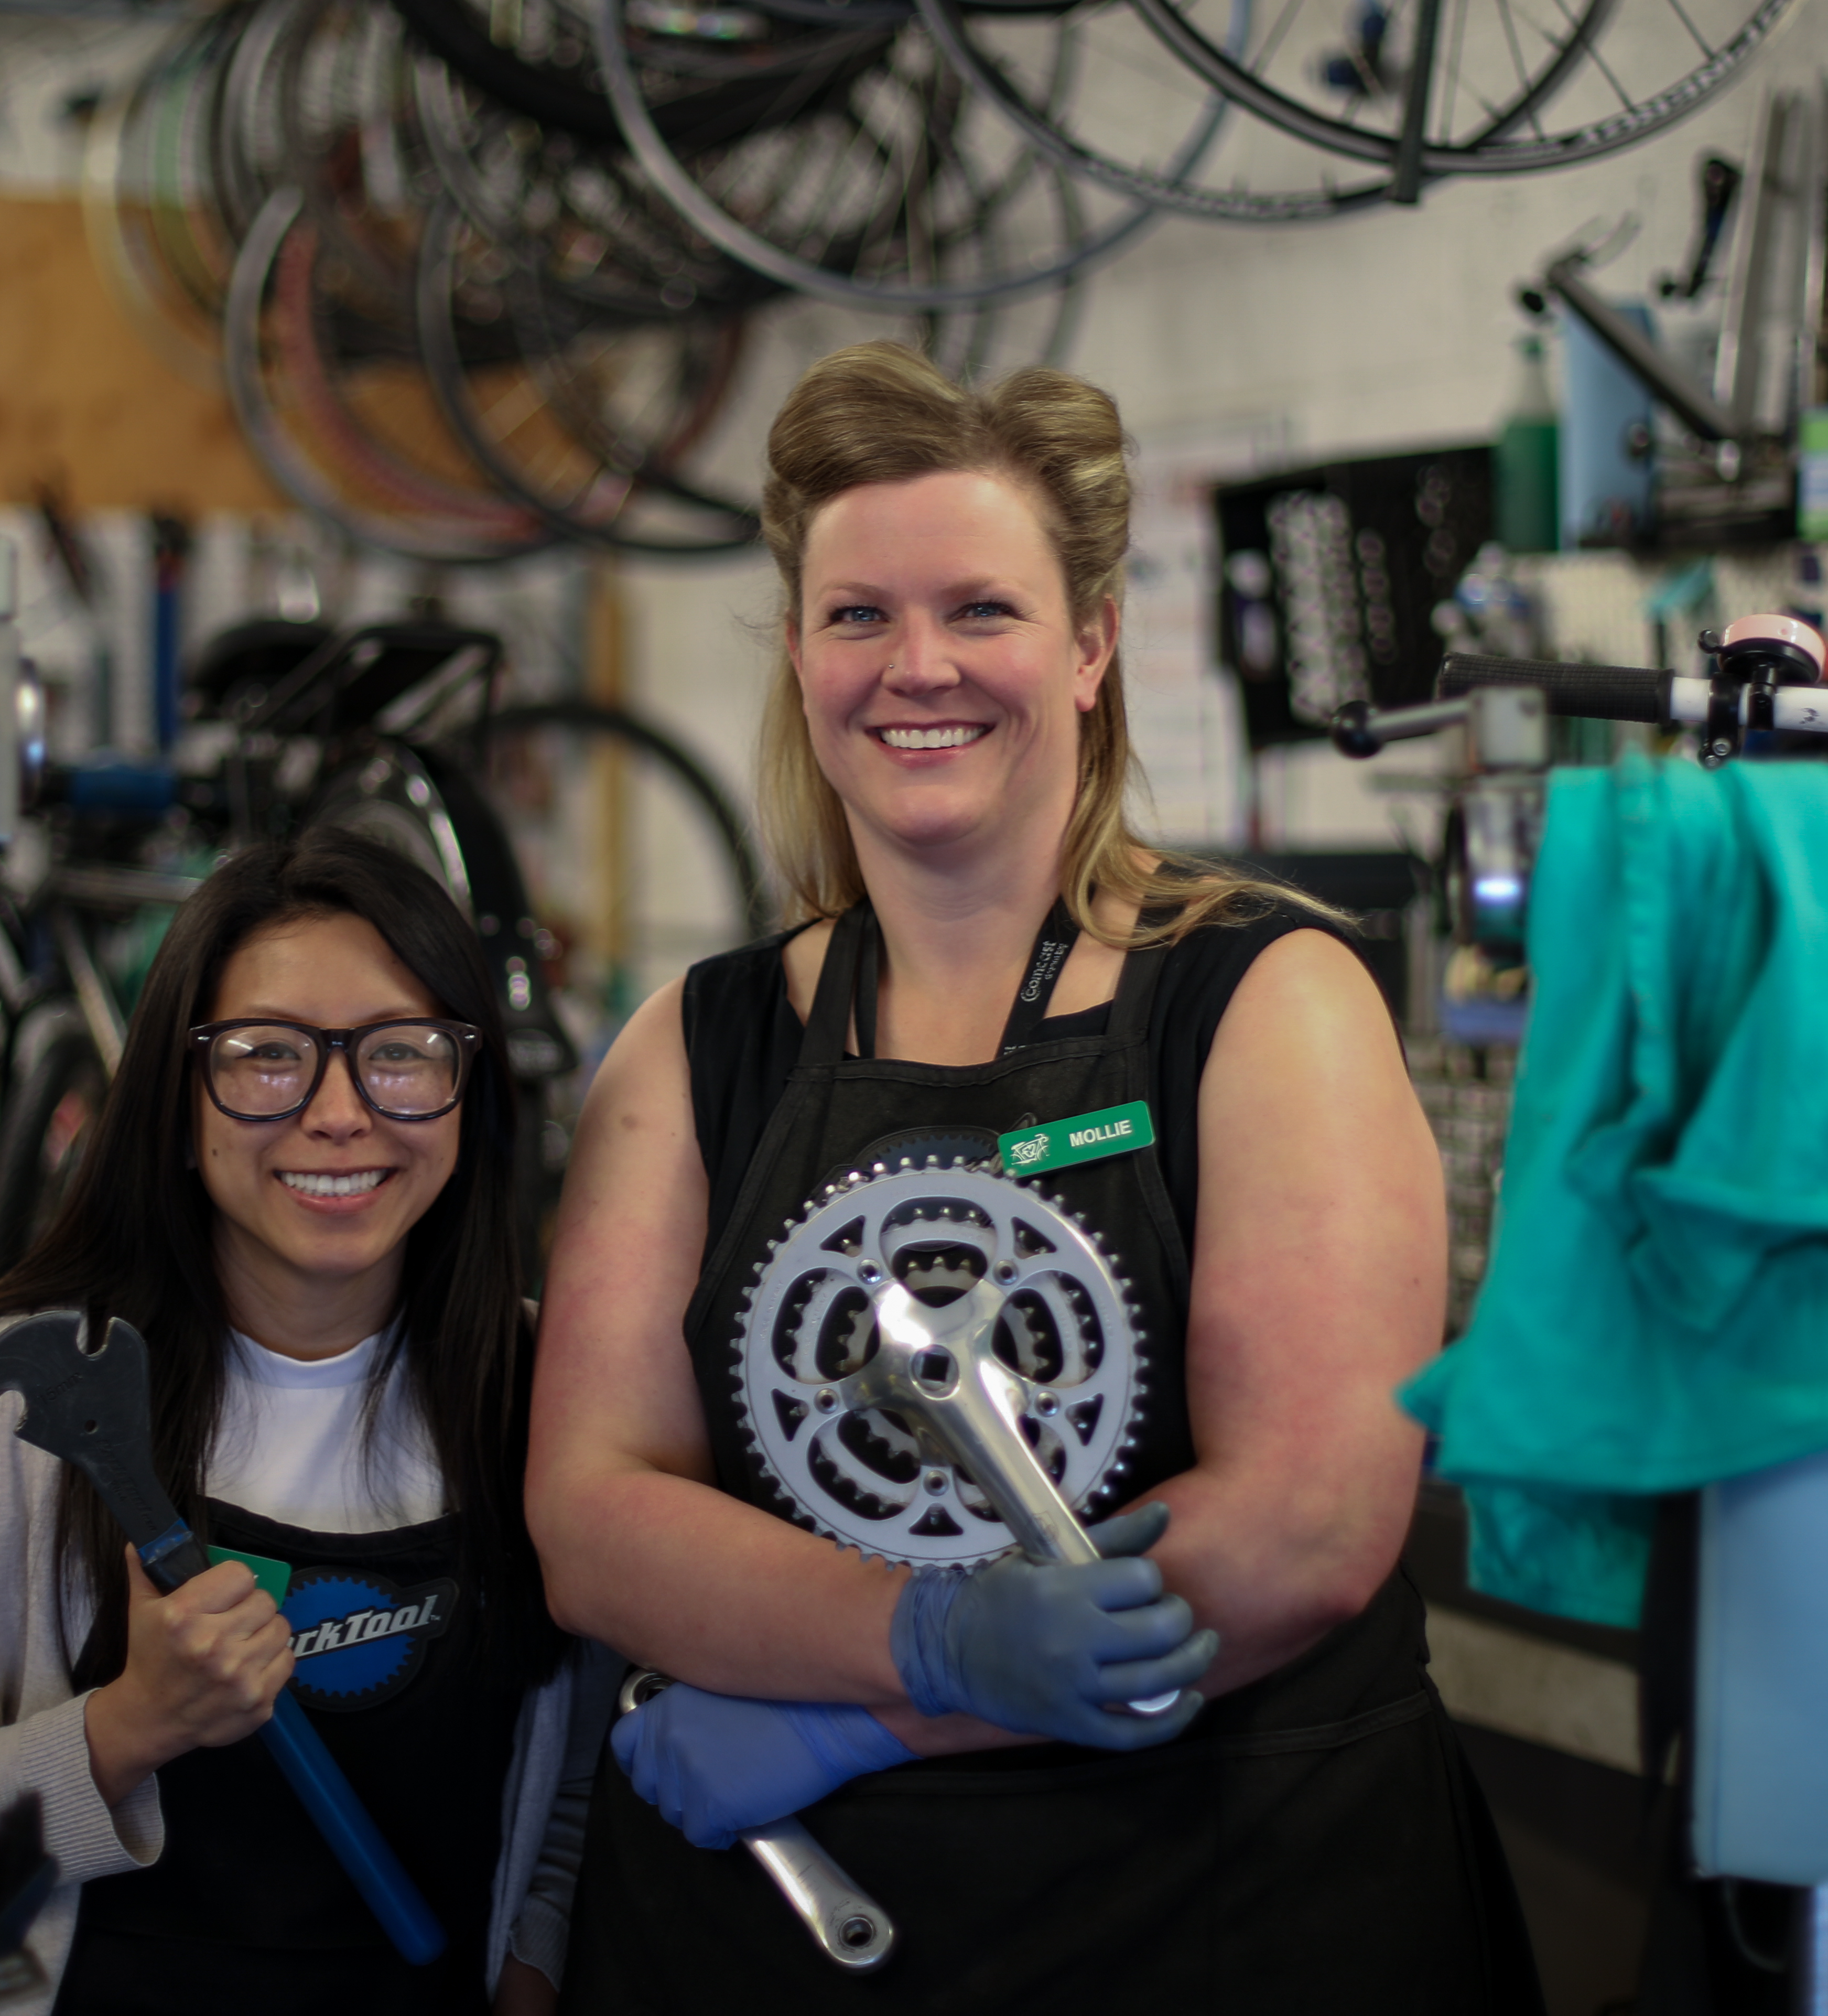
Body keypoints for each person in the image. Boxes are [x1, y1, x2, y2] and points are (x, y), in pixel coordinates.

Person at [527, 343, 1542, 2008]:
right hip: (791, 1939)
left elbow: (1305, 1528)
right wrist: (927, 1627)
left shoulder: (1263, 1000)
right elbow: (595, 1513)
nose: (916, 666)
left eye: (980, 611)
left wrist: (870, 1705)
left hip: (1220, 1909)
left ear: (1088, 645)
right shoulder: (691, 1047)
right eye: (857, 616)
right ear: (796, 653)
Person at [0, 828, 615, 2015]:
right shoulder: (10, 1409)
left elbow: (577, 1798)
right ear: (177, 1097)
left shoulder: (551, 1394)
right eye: (267, 1055)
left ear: (469, 1088)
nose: (340, 1112)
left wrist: (533, 1968)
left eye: (400, 1053)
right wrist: (128, 1727)